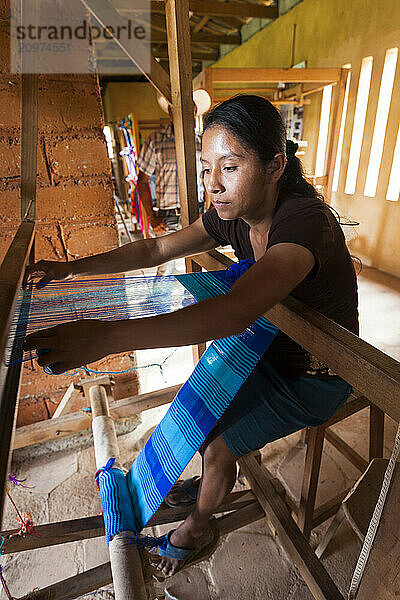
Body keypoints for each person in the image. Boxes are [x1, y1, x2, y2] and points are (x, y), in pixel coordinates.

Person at [25, 95, 358, 578]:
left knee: (219, 441)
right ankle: (211, 480)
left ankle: (199, 526)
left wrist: (106, 337)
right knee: (198, 414)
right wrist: (72, 270)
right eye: (207, 168)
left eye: (230, 166)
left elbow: (237, 310)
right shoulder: (232, 213)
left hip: (317, 376)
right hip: (269, 348)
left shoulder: (303, 222)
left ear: (275, 165)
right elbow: (159, 246)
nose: (214, 184)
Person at [136, 96, 205, 275]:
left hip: (196, 215)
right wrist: (151, 217)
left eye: (189, 109)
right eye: (177, 109)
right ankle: (161, 304)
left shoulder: (203, 142)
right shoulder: (156, 141)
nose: (183, 114)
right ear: (170, 112)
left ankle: (194, 302)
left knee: (198, 268)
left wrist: (211, 210)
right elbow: (142, 183)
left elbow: (211, 178)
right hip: (167, 218)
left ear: (195, 112)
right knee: (165, 270)